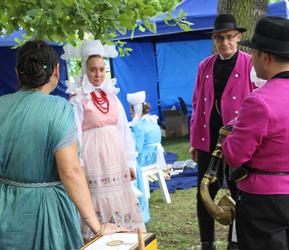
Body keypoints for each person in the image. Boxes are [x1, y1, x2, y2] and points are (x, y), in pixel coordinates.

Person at [0, 40, 126, 250]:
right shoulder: (59, 108)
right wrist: (97, 226)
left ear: (17, 72)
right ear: (57, 71)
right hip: (48, 211)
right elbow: (70, 171)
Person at [222, 16, 289, 250]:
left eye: (253, 54)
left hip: (263, 201)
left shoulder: (259, 102)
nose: (251, 60)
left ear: (265, 57)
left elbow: (235, 156)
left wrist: (228, 137)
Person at [189, 14, 255, 250]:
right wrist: (194, 142)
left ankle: (234, 243)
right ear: (214, 39)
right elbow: (197, 104)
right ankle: (207, 243)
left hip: (238, 141)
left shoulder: (249, 63)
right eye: (220, 38)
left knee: (239, 194)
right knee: (204, 194)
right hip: (209, 141)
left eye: (229, 37)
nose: (225, 43)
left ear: (238, 37)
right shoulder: (205, 65)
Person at [69, 40, 144, 240]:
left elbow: (124, 131)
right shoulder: (78, 99)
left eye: (102, 70)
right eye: (93, 70)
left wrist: (129, 161)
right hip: (93, 157)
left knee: (118, 194)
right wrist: (80, 165)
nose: (98, 74)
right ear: (85, 69)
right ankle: (98, 234)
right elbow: (75, 134)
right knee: (96, 195)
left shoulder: (112, 97)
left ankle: (123, 236)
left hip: (115, 156)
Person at [127, 91, 166, 223]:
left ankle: (135, 201)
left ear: (135, 110)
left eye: (131, 110)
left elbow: (136, 148)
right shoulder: (152, 120)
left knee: (130, 164)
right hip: (155, 155)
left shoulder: (140, 126)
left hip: (146, 158)